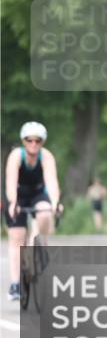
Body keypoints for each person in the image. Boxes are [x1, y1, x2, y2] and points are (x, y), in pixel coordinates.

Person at [4, 122, 61, 301]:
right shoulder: (16, 156)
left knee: (45, 212)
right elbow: (11, 181)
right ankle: (15, 284)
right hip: (18, 196)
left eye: (38, 140)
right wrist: (13, 202)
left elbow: (51, 182)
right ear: (24, 141)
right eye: (29, 140)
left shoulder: (46, 156)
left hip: (38, 193)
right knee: (17, 236)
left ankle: (40, 242)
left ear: (42, 142)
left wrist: (55, 202)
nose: (33, 144)